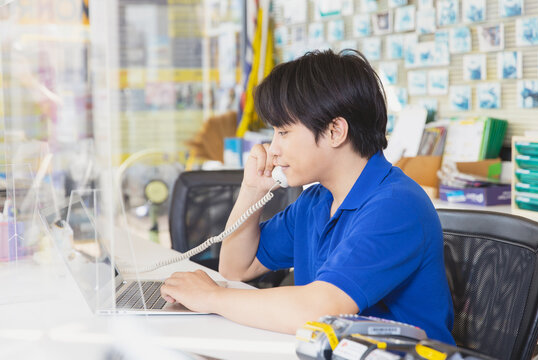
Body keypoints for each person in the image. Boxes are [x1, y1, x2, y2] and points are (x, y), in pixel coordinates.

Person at [160, 49, 455, 345]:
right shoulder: (316, 201)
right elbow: (237, 267)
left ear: (335, 131)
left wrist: (213, 297)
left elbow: (321, 309)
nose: (272, 149)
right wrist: (252, 190)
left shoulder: (394, 206)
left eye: (283, 132)